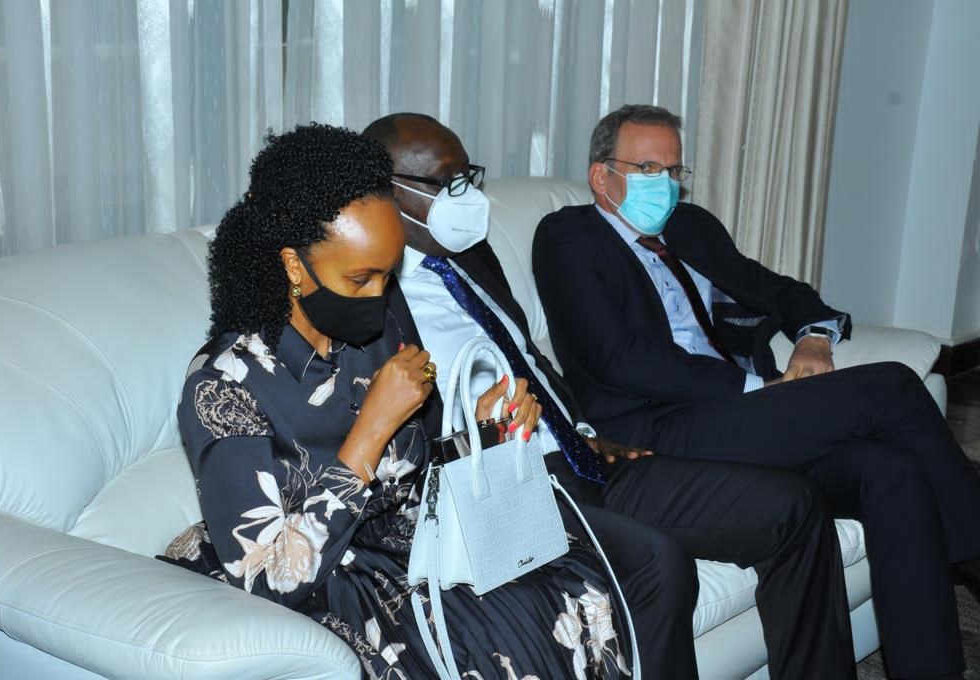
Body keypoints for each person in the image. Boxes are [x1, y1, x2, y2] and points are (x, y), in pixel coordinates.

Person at [365, 112, 858, 680]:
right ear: (384, 191)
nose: (468, 198)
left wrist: (585, 432)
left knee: (792, 504)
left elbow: (527, 357)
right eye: (445, 183)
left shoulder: (470, 257)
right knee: (659, 561)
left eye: (467, 177)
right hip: (509, 483)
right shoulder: (369, 295)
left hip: (582, 456)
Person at [162, 124, 636, 678]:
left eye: (388, 278)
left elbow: (421, 474)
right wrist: (372, 429)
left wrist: (485, 432)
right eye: (359, 279)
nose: (378, 300)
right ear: (293, 266)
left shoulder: (379, 332)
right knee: (490, 636)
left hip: (405, 544)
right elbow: (269, 577)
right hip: (321, 573)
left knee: (573, 582)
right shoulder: (223, 383)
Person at [532, 103, 980, 680]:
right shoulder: (569, 237)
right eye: (646, 169)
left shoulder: (689, 228)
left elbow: (777, 290)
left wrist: (814, 337)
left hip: (735, 420)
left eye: (673, 170)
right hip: (655, 429)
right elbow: (619, 360)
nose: (663, 184)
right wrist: (757, 387)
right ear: (602, 176)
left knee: (891, 470)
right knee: (891, 385)